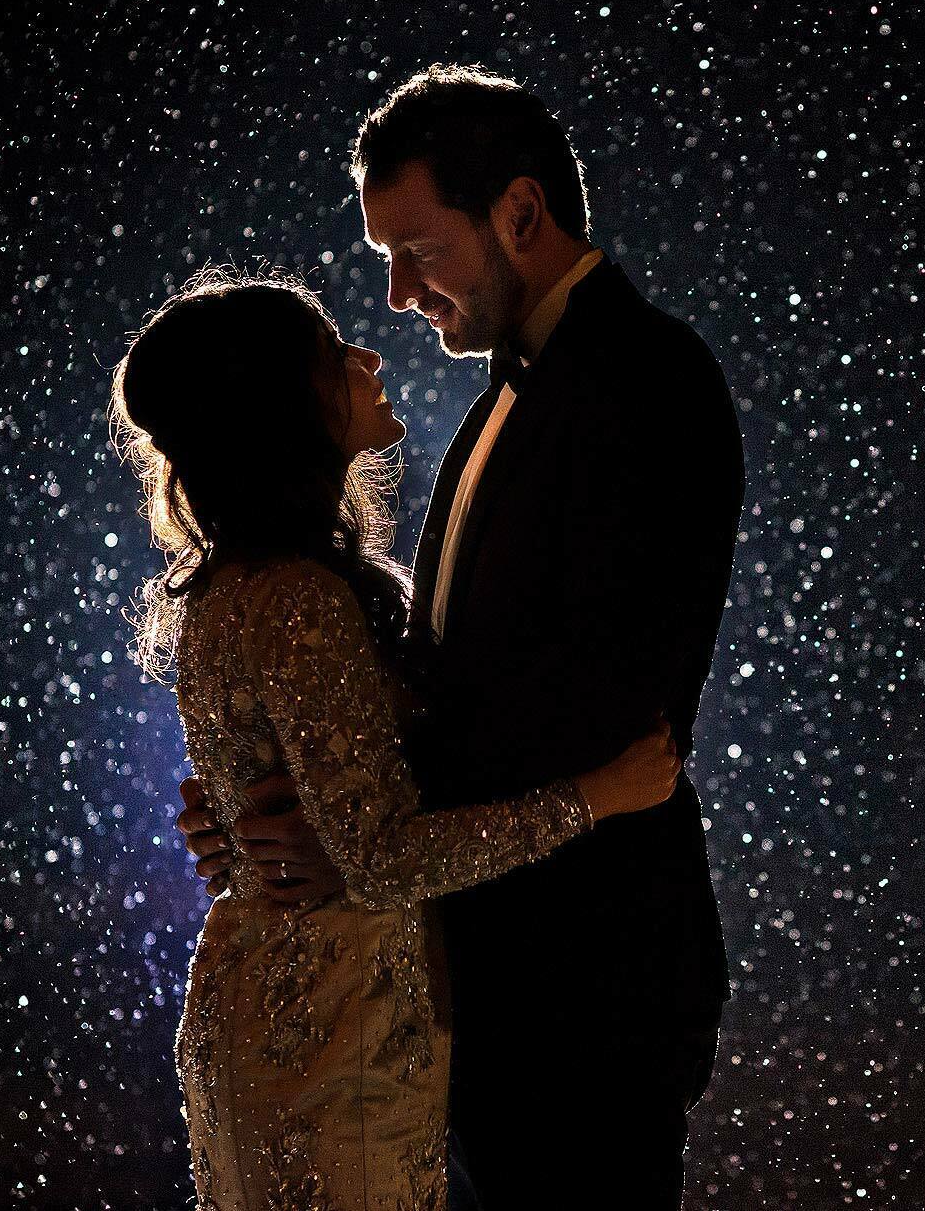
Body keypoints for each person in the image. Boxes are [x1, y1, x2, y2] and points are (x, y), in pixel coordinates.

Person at [175, 65, 746, 1207]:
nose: (393, 295)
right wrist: (296, 789)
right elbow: (454, 685)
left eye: (416, 249)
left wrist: (350, 811)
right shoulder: (497, 402)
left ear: (520, 215)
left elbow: (597, 689)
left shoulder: (647, 380)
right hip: (470, 977)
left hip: (588, 981)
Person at [113, 269, 686, 1208]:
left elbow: (292, 784)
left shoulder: (228, 589)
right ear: (283, 407)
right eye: (335, 354)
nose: (370, 354)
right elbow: (379, 861)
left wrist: (224, 818)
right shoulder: (300, 598)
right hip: (334, 1037)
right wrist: (600, 793)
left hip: (269, 1005)